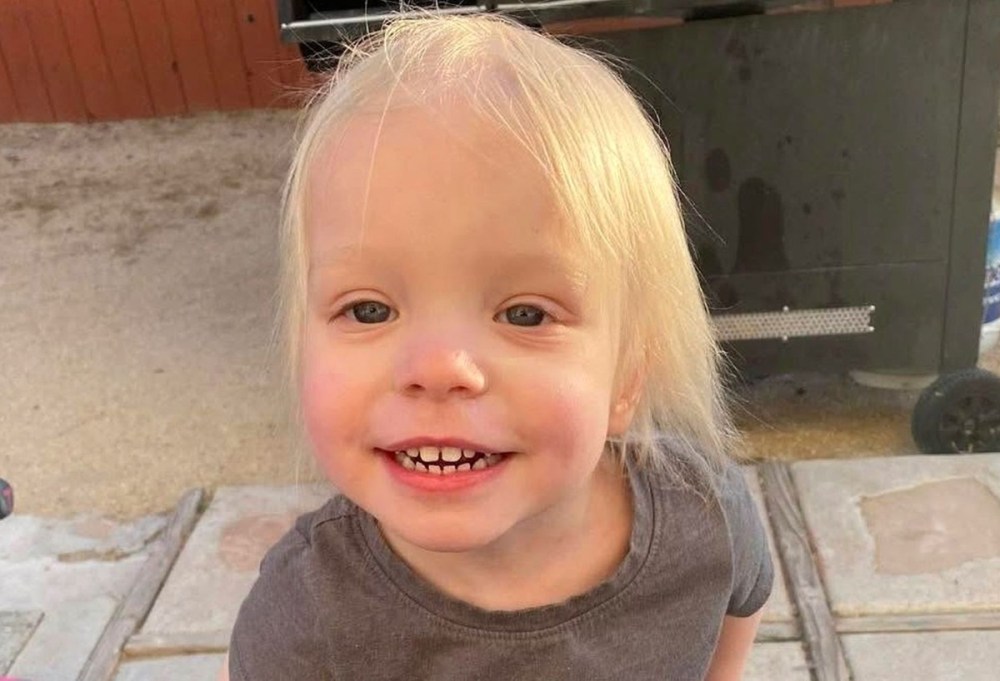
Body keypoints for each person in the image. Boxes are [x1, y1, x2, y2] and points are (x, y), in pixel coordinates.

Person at [220, 12, 772, 680]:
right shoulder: (307, 615)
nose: (437, 368)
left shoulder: (704, 514)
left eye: (524, 314)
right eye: (369, 309)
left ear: (629, 373)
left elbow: (741, 597)